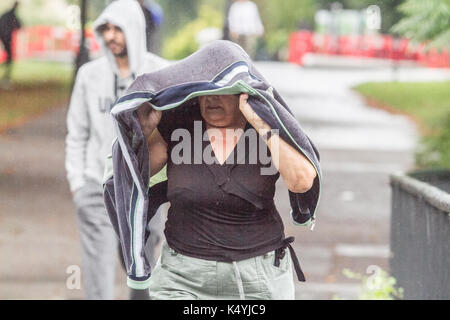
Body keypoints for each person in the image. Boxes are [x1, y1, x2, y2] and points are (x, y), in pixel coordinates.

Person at [103, 40, 322, 299]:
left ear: (243, 91)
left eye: (222, 90)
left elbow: (301, 181)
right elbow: (130, 177)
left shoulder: (265, 129)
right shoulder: (179, 124)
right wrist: (143, 131)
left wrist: (261, 121)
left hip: (258, 279)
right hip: (182, 278)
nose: (212, 99)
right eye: (205, 91)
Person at [65, 0, 168, 300]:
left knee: (142, 277)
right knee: (97, 277)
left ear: (134, 29)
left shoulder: (159, 72)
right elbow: (77, 133)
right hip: (97, 185)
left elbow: (174, 130)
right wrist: (78, 183)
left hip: (146, 190)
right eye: (105, 29)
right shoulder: (89, 75)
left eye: (117, 29)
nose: (111, 36)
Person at [0, 1, 21, 88]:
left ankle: (6, 77)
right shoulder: (12, 16)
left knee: (9, 58)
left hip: (4, 38)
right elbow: (19, 26)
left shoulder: (6, 15)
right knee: (9, 59)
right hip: (7, 38)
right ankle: (6, 78)